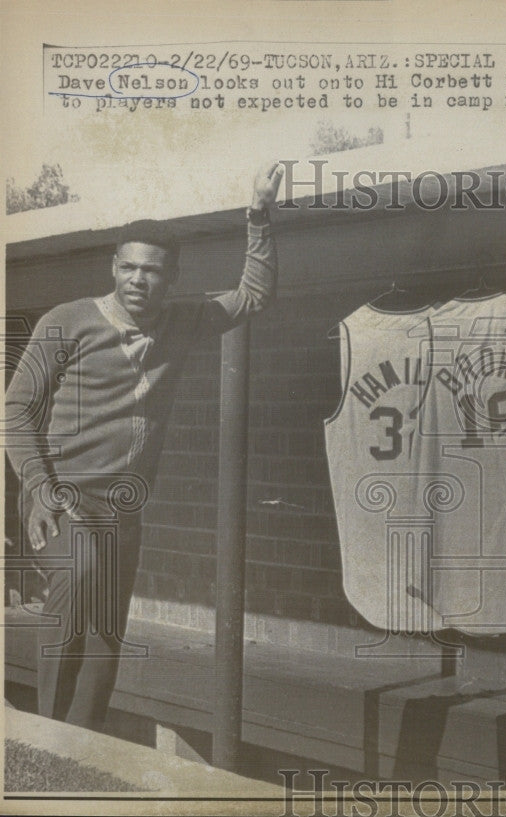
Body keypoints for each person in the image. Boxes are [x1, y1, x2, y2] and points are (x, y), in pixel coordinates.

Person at [4, 163, 284, 730]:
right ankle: (45, 739)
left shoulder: (185, 320)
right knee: (77, 586)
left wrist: (258, 215)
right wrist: (41, 488)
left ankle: (84, 744)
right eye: (127, 267)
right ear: (113, 268)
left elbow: (253, 296)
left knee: (106, 630)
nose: (138, 280)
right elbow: (14, 410)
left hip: (122, 508)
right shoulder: (68, 322)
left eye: (152, 271)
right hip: (61, 498)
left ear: (172, 276)